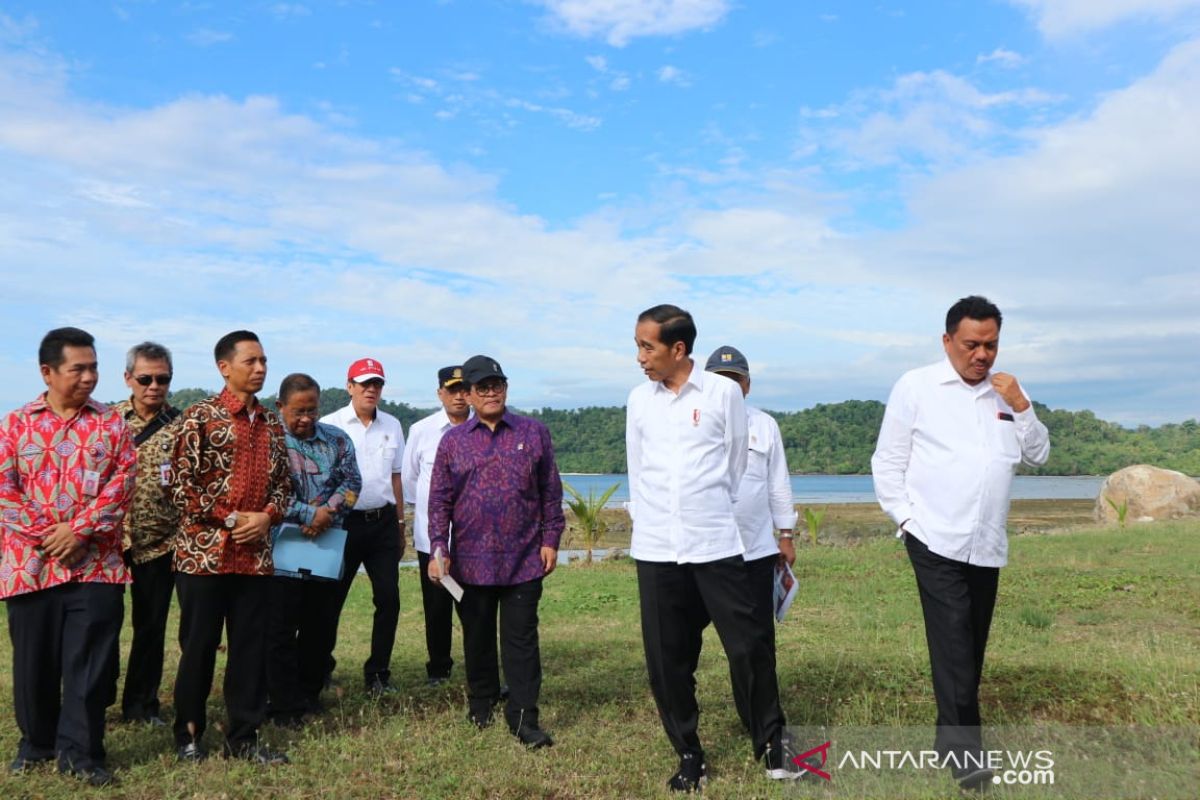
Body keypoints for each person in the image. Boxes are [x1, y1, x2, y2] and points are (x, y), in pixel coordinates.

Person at [871, 295, 1050, 791]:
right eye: (972, 344)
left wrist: (1021, 406)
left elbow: (1038, 454)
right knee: (953, 640)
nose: (982, 355)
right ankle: (968, 759)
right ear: (948, 340)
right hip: (934, 535)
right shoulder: (916, 387)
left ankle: (947, 740)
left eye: (991, 345)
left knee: (970, 644)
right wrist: (906, 520)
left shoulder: (1006, 394)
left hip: (986, 540)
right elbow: (887, 461)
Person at [626, 305, 804, 792]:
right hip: (658, 549)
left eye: (647, 346)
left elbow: (733, 465)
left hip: (717, 543)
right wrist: (656, 520)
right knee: (667, 658)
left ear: (678, 349)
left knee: (748, 646)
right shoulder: (639, 401)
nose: (640, 357)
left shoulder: (724, 393)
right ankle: (689, 752)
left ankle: (771, 743)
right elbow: (637, 470)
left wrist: (705, 510)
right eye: (638, 346)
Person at [0, 327, 135, 786]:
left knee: (91, 662)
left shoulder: (112, 424)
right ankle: (37, 743)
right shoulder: (14, 425)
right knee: (33, 662)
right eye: (78, 368)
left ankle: (82, 752)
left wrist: (77, 531)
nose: (89, 376)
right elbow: (5, 490)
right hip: (30, 565)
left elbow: (123, 484)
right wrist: (48, 536)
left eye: (93, 366)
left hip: (96, 564)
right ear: (47, 372)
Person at [427, 355, 563, 749]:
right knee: (478, 637)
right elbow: (439, 501)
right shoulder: (452, 442)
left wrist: (551, 539)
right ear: (467, 395)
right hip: (469, 561)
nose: (491, 392)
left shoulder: (534, 432)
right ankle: (481, 703)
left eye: (497, 385)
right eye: (482, 387)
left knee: (521, 641)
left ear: (505, 388)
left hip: (523, 559)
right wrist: (439, 546)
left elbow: (550, 492)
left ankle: (524, 718)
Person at [171, 330, 292, 764]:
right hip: (203, 556)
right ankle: (188, 735)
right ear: (225, 367)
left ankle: (244, 737)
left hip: (255, 558)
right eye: (251, 361)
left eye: (264, 361)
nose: (260, 368)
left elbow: (284, 485)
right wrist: (230, 518)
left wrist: (266, 517)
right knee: (199, 648)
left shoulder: (273, 423)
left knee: (249, 651)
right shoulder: (199, 417)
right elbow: (182, 486)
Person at [703, 345, 797, 722]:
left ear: (747, 384)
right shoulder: (695, 423)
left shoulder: (765, 425)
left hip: (755, 550)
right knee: (717, 643)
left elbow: (778, 483)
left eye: (734, 379)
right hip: (707, 551)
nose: (727, 387)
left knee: (758, 642)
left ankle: (760, 719)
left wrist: (786, 534)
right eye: (719, 380)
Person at [266, 373, 361, 727]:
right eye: (297, 411)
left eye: (312, 410)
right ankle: (280, 701)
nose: (305, 418)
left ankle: (308, 695)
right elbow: (263, 489)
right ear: (280, 407)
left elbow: (352, 482)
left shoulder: (337, 440)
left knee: (318, 625)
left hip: (324, 544)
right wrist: (308, 513)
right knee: (278, 628)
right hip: (279, 549)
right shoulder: (268, 440)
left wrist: (327, 514)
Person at [320, 357, 406, 695]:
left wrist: (400, 524)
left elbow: (396, 476)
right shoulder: (330, 424)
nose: (371, 389)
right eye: (364, 383)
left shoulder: (393, 425)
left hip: (382, 521)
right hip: (343, 524)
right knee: (330, 600)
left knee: (389, 599)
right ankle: (321, 669)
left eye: (377, 384)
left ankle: (378, 674)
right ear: (350, 386)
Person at [112, 341, 183, 728]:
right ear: (128, 379)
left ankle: (141, 705)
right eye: (145, 378)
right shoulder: (108, 422)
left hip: (160, 544)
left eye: (162, 378)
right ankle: (96, 696)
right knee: (100, 626)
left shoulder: (183, 425)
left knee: (151, 627)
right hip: (107, 543)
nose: (154, 386)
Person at [402, 365, 470, 687]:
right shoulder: (422, 430)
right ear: (440, 393)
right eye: (452, 389)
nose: (458, 396)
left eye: (463, 389)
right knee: (437, 606)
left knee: (475, 606)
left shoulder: (483, 428)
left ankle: (481, 667)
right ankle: (439, 670)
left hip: (474, 539)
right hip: (434, 539)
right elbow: (412, 481)